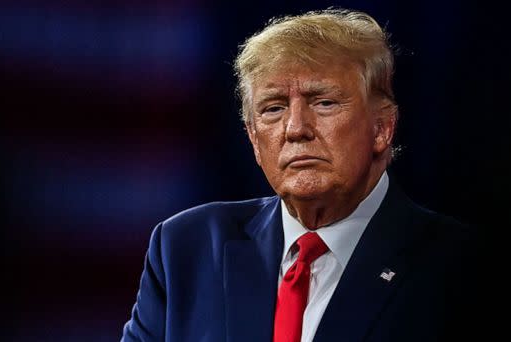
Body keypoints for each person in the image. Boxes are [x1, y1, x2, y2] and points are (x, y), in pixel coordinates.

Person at [121, 8, 484, 342]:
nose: (295, 128)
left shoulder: (461, 267)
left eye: (323, 102)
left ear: (382, 128)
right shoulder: (187, 247)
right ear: (253, 139)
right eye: (273, 108)